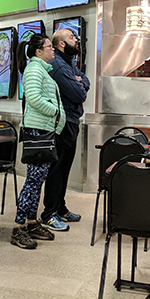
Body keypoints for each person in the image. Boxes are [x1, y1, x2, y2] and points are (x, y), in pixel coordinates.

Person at [11, 34, 66, 250]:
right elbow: (33, 98)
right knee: (33, 181)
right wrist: (56, 112)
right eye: (49, 46)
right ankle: (18, 227)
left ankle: (32, 223)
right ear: (38, 51)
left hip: (44, 130)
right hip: (38, 131)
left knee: (38, 179)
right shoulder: (34, 69)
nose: (53, 50)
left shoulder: (41, 70)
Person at [40, 28, 89, 231]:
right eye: (71, 37)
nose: (76, 40)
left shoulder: (69, 63)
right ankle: (49, 213)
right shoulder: (59, 66)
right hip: (62, 123)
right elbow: (80, 94)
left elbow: (84, 80)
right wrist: (79, 83)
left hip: (71, 121)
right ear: (61, 43)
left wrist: (80, 81)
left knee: (65, 168)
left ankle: (60, 208)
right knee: (57, 169)